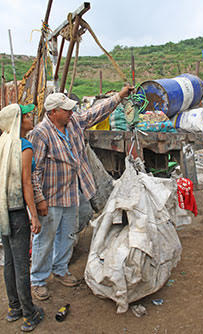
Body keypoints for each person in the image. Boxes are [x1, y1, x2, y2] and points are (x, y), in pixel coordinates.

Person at [29, 86, 133, 301]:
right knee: (45, 238)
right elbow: (34, 171)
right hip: (51, 196)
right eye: (65, 109)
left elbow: (97, 112)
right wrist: (39, 199)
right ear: (52, 113)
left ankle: (60, 269)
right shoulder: (40, 133)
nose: (70, 112)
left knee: (68, 233)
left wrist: (119, 96)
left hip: (72, 192)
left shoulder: (73, 122)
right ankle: (37, 280)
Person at [0, 103, 44, 332]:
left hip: (3, 211)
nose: (30, 117)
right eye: (26, 115)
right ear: (18, 121)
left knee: (9, 261)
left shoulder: (2, 143)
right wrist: (34, 216)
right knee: (20, 265)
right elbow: (27, 184)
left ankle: (14, 308)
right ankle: (29, 314)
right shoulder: (24, 147)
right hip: (17, 212)